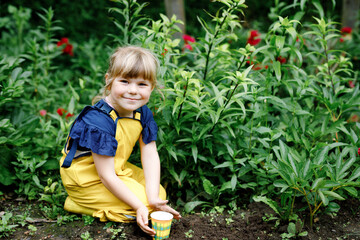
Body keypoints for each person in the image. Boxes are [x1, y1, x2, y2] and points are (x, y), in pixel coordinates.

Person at [59, 46, 181, 236]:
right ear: (109, 80)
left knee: (158, 195)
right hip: (87, 178)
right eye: (124, 81)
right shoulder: (100, 120)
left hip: (117, 168)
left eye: (142, 84)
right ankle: (77, 202)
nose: (133, 91)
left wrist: (153, 197)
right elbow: (106, 175)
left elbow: (149, 154)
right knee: (143, 206)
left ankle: (136, 203)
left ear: (152, 87)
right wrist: (140, 206)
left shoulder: (142, 112)